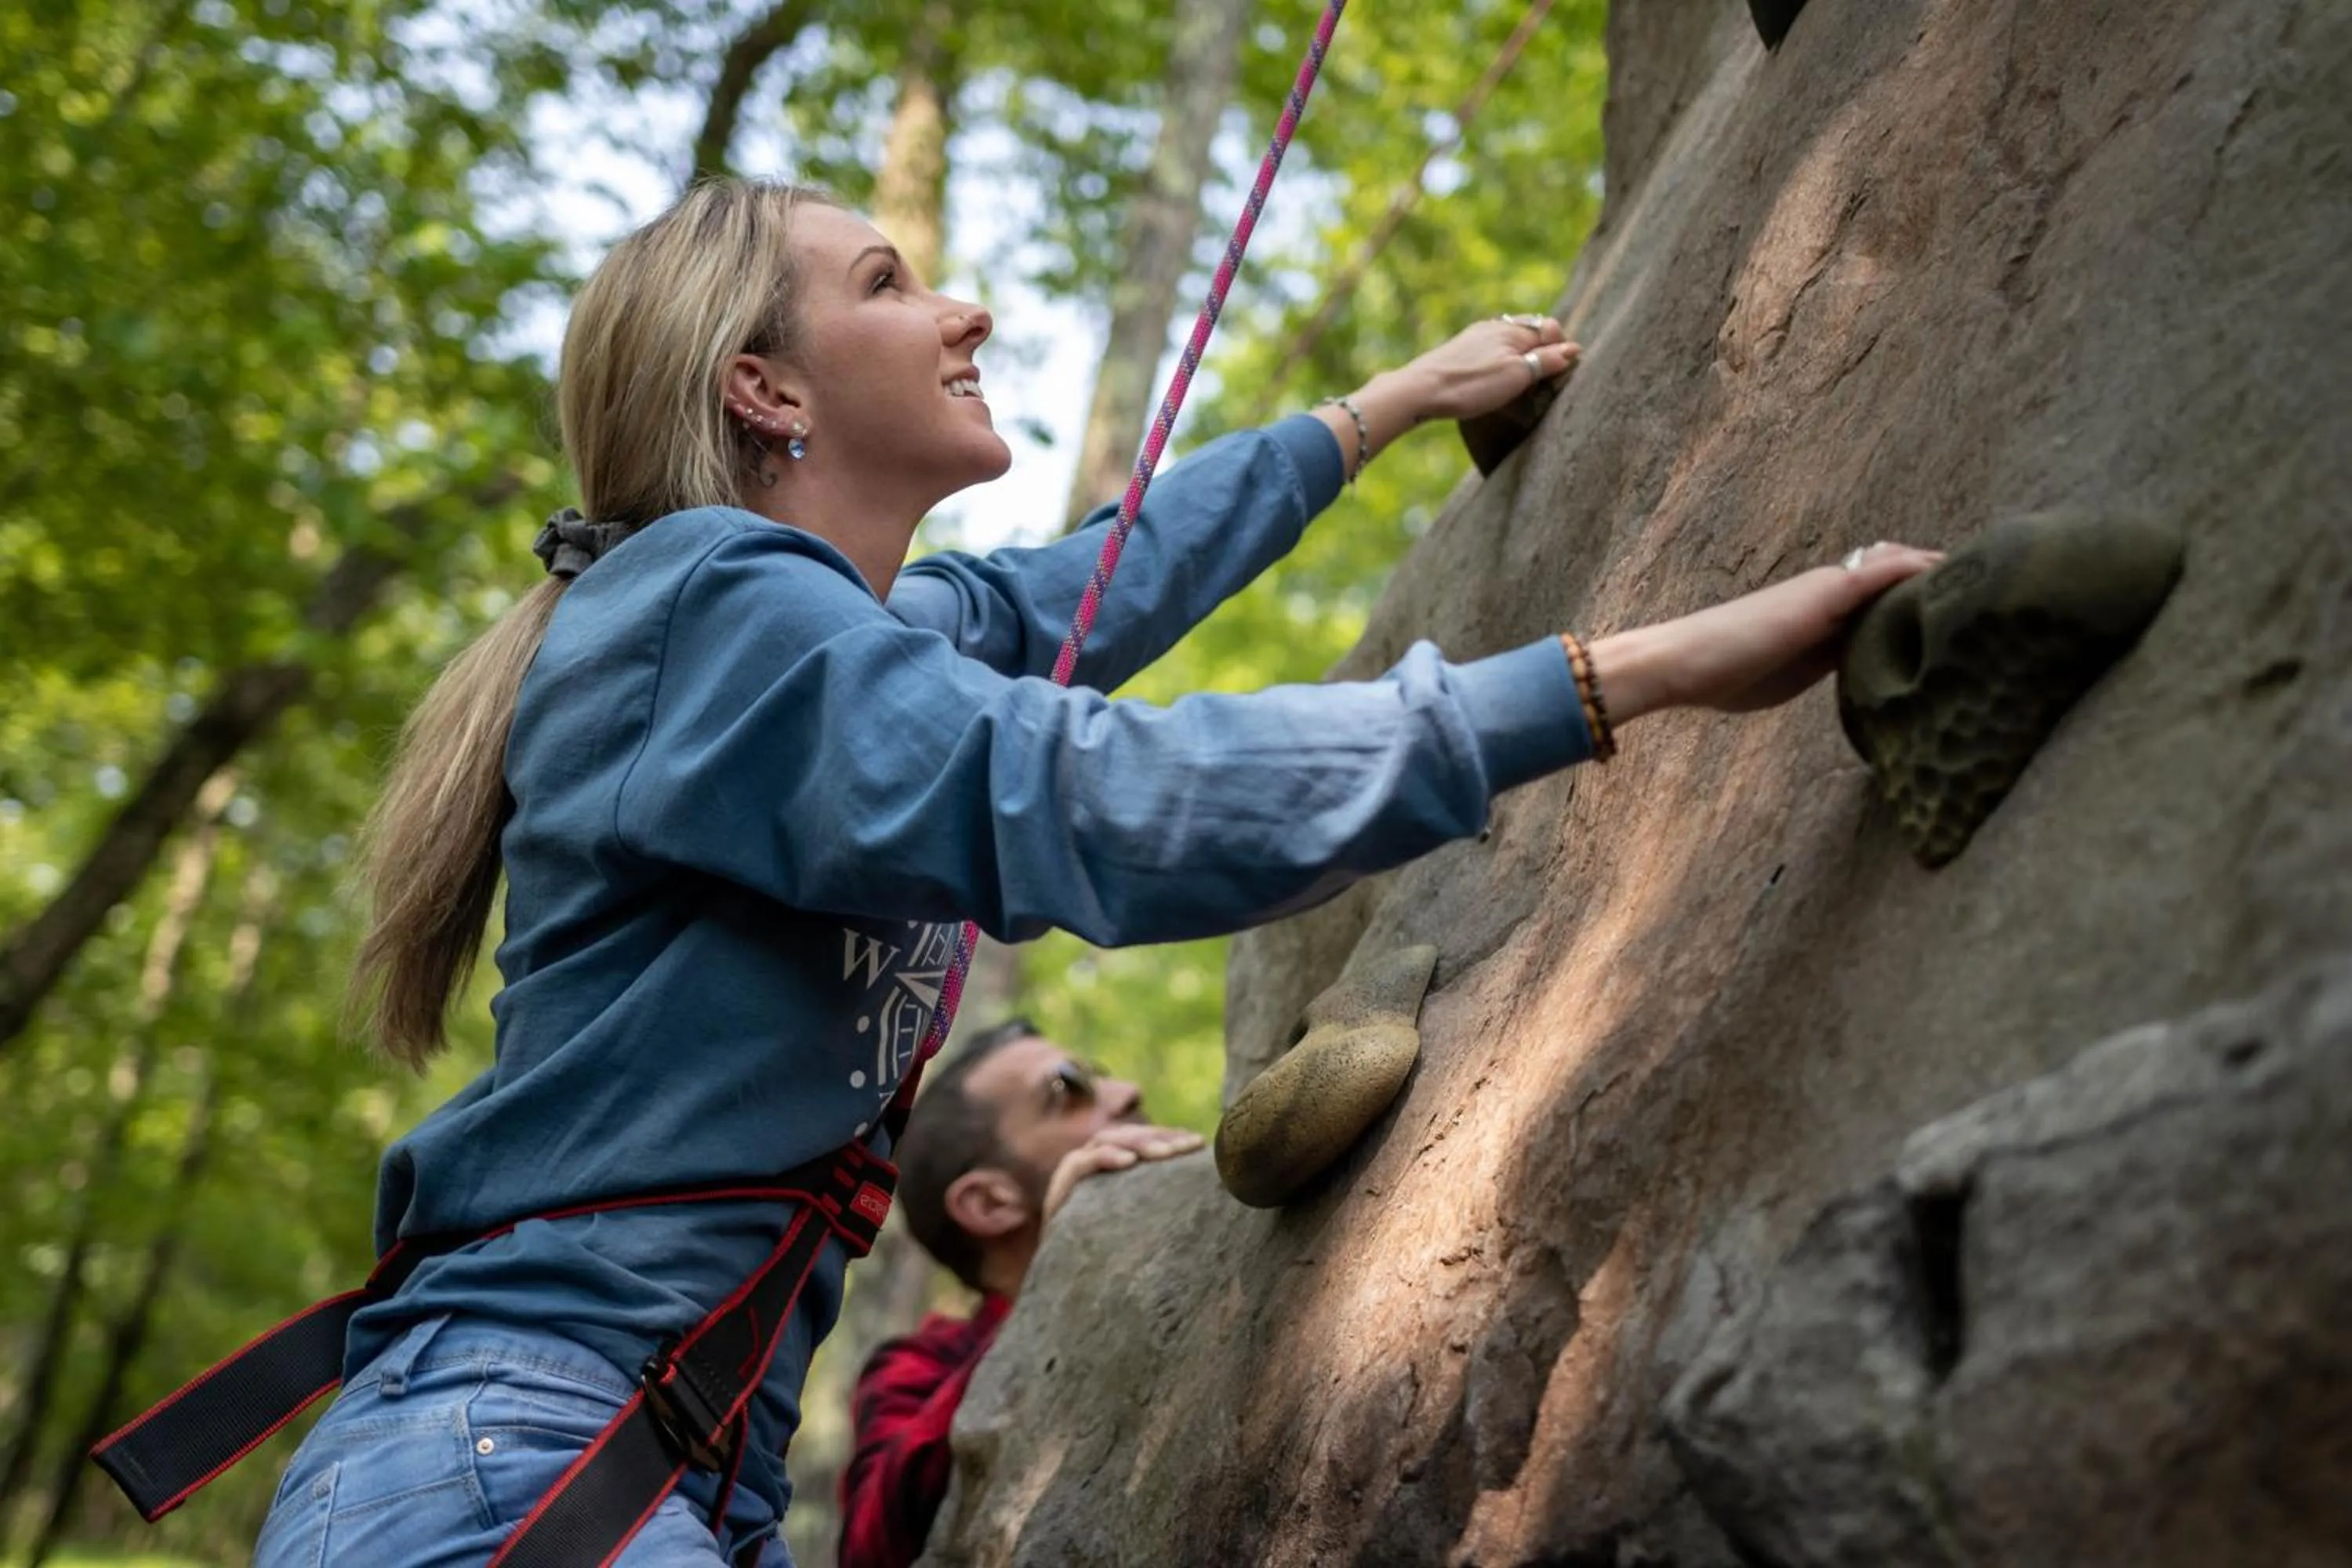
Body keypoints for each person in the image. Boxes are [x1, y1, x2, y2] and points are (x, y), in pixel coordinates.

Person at [242, 176, 1936, 1566]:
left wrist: (1382, 411)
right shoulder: (709, 613)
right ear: (763, 387)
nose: (963, 310)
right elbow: (1089, 798)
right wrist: (1624, 675)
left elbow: (1083, 594)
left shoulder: (828, 639)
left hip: (618, 1477)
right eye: (895, 283)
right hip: (512, 1465)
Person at [837, 1019, 1197, 1568]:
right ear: (988, 1203)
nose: (1127, 1093)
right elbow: (871, 1546)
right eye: (1067, 1089)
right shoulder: (920, 1366)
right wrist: (1059, 1286)